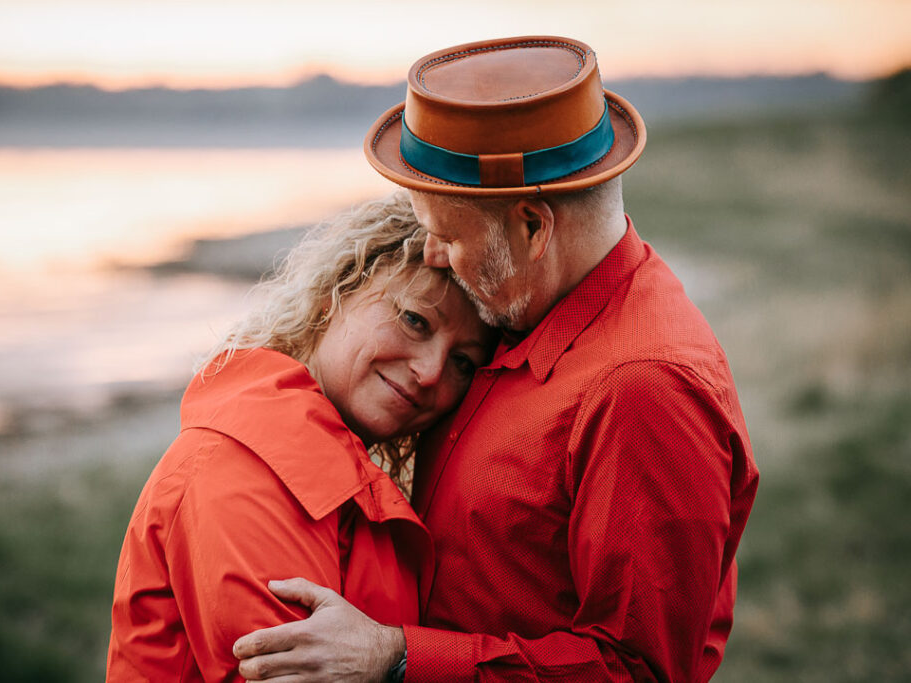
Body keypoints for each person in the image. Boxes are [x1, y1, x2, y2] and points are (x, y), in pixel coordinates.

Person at [232, 36, 760, 682]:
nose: (430, 255)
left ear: (533, 228)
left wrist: (395, 656)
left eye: (447, 235)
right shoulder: (517, 307)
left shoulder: (643, 387)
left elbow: (639, 670)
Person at [106, 192, 494, 681]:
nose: (432, 372)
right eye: (415, 320)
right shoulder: (246, 467)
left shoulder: (329, 462)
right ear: (340, 289)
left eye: (464, 362)